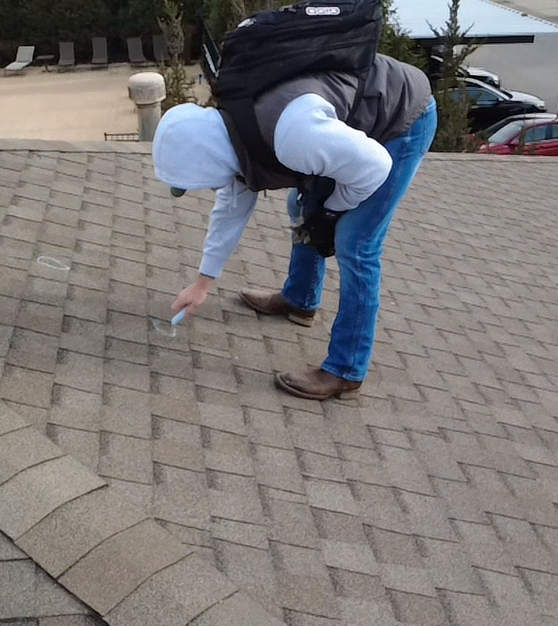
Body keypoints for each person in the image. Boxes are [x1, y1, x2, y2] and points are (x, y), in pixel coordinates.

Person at [151, 54, 437, 401]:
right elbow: (231, 205)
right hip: (346, 122)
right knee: (299, 205)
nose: (204, 187)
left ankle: (346, 371)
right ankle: (300, 300)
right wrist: (203, 282)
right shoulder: (231, 132)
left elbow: (374, 167)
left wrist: (331, 213)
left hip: (401, 120)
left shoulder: (292, 135)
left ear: (205, 160)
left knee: (355, 243)